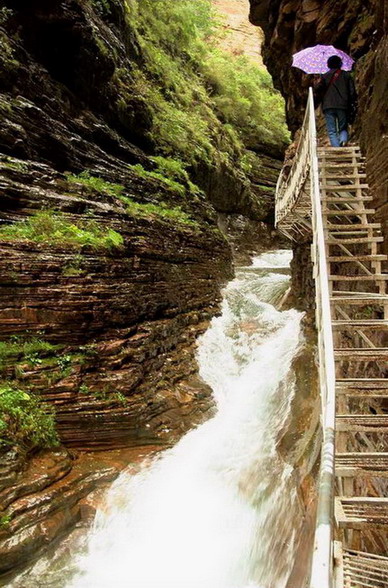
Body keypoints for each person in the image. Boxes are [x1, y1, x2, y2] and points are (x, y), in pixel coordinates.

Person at [316, 55, 357, 147]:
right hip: (343, 105)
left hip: (328, 105)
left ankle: (337, 148)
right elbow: (352, 92)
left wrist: (319, 82)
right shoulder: (346, 75)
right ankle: (343, 139)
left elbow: (318, 91)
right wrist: (352, 102)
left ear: (328, 65)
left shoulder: (324, 76)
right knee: (343, 127)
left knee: (331, 130)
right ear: (340, 64)